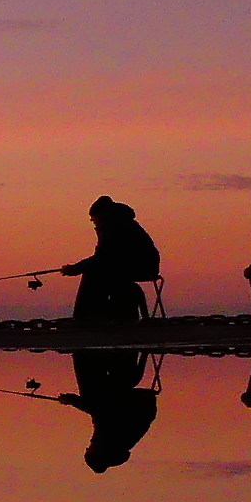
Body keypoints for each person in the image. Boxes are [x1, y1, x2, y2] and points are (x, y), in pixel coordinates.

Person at [60, 197, 160, 325]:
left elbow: (102, 258)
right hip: (136, 266)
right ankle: (94, 315)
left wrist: (75, 268)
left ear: (102, 216)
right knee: (97, 272)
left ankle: (85, 317)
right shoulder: (122, 223)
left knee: (92, 274)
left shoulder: (114, 227)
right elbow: (105, 258)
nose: (93, 221)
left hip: (139, 266)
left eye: (94, 218)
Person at [58, 348, 159, 471]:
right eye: (89, 448)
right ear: (97, 452)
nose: (89, 444)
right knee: (90, 394)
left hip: (134, 400)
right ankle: (85, 356)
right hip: (129, 399)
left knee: (93, 396)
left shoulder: (120, 444)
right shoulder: (108, 441)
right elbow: (100, 410)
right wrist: (71, 400)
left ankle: (94, 356)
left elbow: (102, 411)